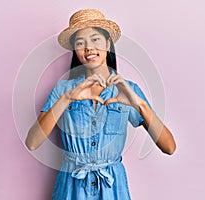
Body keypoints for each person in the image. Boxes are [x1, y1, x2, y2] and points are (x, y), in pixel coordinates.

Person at [25, 9, 176, 200]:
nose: (88, 48)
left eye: (95, 39)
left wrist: (140, 105)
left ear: (107, 44)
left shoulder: (127, 90)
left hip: (113, 187)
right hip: (72, 186)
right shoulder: (63, 89)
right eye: (80, 43)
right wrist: (66, 99)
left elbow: (169, 147)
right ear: (75, 50)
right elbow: (32, 142)